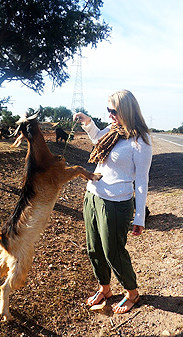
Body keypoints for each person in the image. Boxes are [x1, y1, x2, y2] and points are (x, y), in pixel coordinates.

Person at [73, 90, 152, 314]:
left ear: (126, 110)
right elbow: (98, 138)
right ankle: (105, 289)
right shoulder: (113, 131)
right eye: (107, 110)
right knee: (94, 248)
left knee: (113, 252)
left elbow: (142, 181)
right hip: (93, 196)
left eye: (113, 111)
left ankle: (132, 293)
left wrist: (140, 216)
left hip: (116, 204)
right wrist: (88, 123)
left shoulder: (140, 142)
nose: (109, 115)